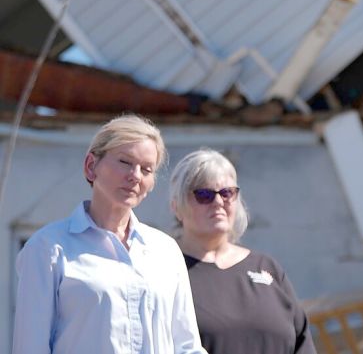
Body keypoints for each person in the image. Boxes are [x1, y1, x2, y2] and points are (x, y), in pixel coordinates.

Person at [13, 114, 206, 353]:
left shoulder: (166, 250)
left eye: (146, 169)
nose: (135, 175)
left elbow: (187, 346)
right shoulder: (47, 247)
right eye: (125, 162)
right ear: (91, 166)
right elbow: (30, 348)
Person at [169, 148, 316, 354]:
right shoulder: (165, 269)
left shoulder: (266, 268)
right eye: (204, 195)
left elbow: (302, 343)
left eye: (227, 193)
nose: (218, 202)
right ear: (176, 207)